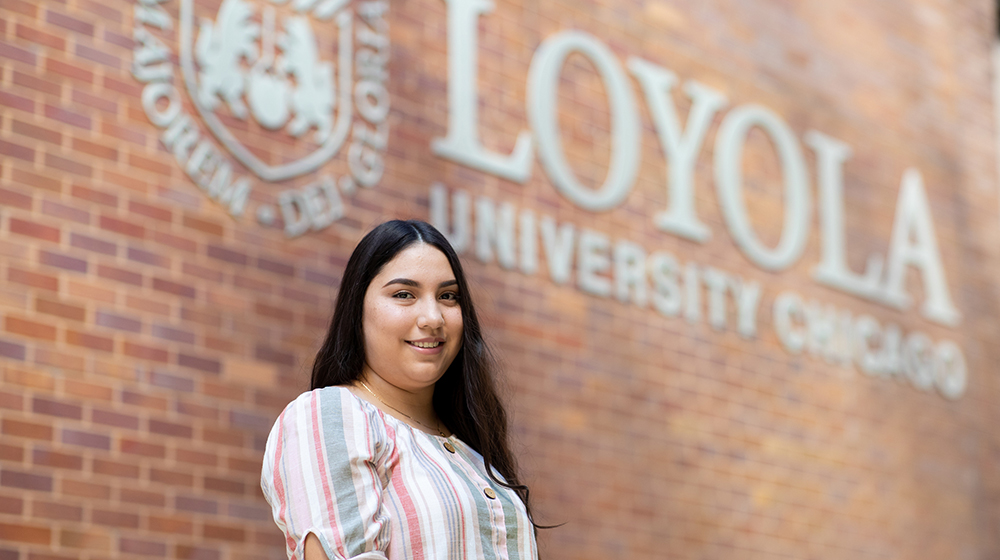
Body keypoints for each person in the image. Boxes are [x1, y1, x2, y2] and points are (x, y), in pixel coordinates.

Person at [261, 220, 541, 560]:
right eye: (404, 294)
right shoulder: (332, 417)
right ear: (358, 309)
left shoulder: (472, 452)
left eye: (448, 296)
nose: (433, 317)